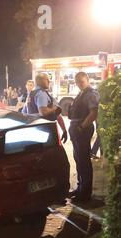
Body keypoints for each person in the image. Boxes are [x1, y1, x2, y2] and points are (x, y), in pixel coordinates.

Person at [68, 72, 100, 202]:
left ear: (87, 80)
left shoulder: (91, 93)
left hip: (82, 129)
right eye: (77, 82)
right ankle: (80, 188)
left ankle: (85, 194)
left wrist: (81, 127)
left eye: (81, 81)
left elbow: (94, 113)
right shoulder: (82, 93)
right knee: (78, 159)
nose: (79, 84)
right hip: (77, 128)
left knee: (84, 161)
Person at [26, 73, 68, 144]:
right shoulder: (41, 94)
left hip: (34, 129)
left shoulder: (31, 94)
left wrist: (64, 130)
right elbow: (43, 112)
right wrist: (54, 108)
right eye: (47, 80)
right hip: (44, 130)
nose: (49, 81)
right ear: (41, 81)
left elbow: (25, 113)